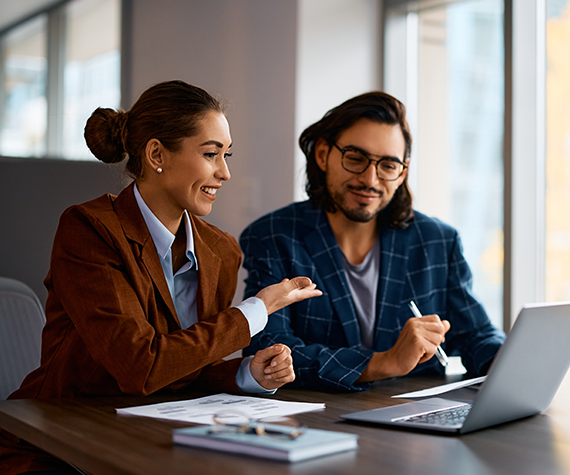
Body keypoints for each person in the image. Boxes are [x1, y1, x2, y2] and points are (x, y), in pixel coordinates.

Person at [0, 80, 321, 474]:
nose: (225, 172)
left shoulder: (220, 250)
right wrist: (257, 310)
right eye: (211, 154)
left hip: (152, 438)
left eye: (226, 155)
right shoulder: (89, 230)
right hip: (58, 445)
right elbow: (140, 366)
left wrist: (248, 372)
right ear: (156, 154)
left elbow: (185, 366)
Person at [240, 91, 505, 392]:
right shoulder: (273, 236)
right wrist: (385, 362)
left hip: (417, 412)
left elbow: (477, 335)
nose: (370, 179)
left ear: (402, 173)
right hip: (319, 418)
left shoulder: (437, 241)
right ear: (324, 154)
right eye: (355, 159)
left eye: (388, 166)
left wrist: (508, 363)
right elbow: (269, 352)